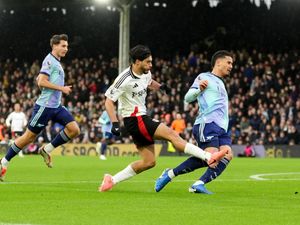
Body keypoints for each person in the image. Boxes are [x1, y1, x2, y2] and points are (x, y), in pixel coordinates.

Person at [99, 45, 227, 192]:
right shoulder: (124, 79)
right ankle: (208, 157)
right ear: (137, 61)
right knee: (172, 135)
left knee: (149, 162)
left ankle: (112, 180)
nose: (151, 65)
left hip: (139, 119)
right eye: (148, 62)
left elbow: (148, 81)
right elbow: (108, 101)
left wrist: (160, 87)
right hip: (135, 119)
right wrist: (114, 123)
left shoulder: (145, 72)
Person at [0, 34, 80, 181]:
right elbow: (41, 82)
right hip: (45, 107)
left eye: (67, 46)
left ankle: (46, 149)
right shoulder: (50, 61)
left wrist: (48, 82)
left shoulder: (55, 62)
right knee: (28, 138)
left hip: (56, 106)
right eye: (63, 46)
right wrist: (61, 88)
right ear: (54, 45)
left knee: (74, 129)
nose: (66, 49)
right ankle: (4, 162)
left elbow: (40, 78)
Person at [155, 50, 234, 194]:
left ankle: (197, 183)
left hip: (222, 128)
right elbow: (188, 97)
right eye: (228, 62)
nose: (231, 66)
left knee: (227, 155)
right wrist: (199, 90)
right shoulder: (204, 77)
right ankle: (172, 175)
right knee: (211, 157)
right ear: (218, 62)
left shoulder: (221, 83)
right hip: (207, 123)